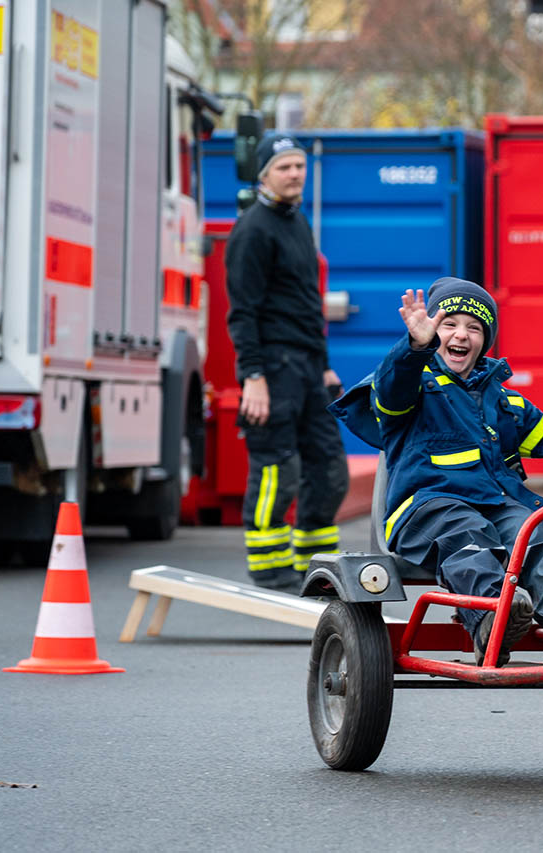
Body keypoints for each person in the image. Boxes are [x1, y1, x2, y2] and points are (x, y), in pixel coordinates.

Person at [331, 277, 543, 665]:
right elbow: (392, 389)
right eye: (449, 325)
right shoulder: (415, 385)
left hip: (496, 503)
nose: (461, 335)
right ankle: (492, 616)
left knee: (535, 533)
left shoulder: (504, 400)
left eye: (474, 328)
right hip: (426, 508)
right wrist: (416, 347)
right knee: (466, 537)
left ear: (485, 339)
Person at [225, 132, 348, 590]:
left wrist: (324, 363)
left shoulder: (296, 222)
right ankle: (270, 570)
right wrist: (252, 376)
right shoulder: (253, 229)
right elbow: (242, 312)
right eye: (284, 167)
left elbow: (306, 303)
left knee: (329, 468)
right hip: (271, 368)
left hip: (307, 368)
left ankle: (313, 566)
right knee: (279, 468)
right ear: (264, 175)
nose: (295, 173)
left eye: (299, 165)